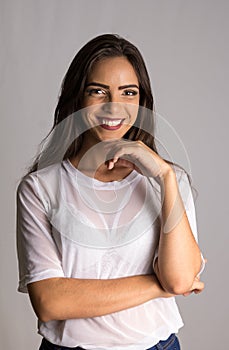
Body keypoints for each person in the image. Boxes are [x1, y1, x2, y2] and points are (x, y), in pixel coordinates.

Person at [16, 34, 205, 350]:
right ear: (77, 98)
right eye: (97, 91)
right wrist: (159, 287)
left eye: (128, 92)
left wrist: (164, 176)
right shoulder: (40, 188)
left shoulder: (170, 180)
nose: (113, 106)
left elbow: (179, 278)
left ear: (142, 101)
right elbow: (50, 302)